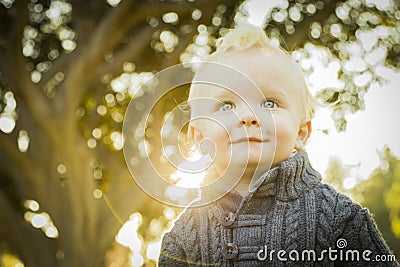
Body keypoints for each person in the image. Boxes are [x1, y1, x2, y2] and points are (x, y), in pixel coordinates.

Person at [158, 24, 398, 266]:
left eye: (270, 103)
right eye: (226, 105)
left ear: (301, 133)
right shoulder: (183, 236)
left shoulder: (340, 219)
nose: (248, 116)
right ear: (200, 138)